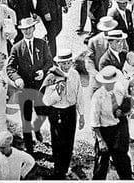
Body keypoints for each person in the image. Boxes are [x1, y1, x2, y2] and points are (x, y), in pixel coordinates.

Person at [6, 17, 53, 156]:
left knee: (42, 113)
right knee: (26, 118)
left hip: (40, 87)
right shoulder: (17, 47)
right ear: (21, 31)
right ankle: (29, 148)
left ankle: (37, 129)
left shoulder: (42, 44)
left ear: (34, 28)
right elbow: (10, 68)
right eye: (24, 29)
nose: (27, 31)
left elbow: (49, 62)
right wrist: (17, 79)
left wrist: (43, 71)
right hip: (24, 88)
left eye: (29, 28)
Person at [40, 47, 82, 179]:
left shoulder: (75, 74)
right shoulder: (52, 76)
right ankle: (58, 170)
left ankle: (64, 167)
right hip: (57, 112)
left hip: (70, 111)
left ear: (72, 62)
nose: (66, 65)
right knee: (58, 142)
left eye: (68, 62)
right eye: (63, 63)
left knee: (69, 141)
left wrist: (82, 115)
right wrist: (58, 93)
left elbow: (79, 94)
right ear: (58, 63)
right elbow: (46, 101)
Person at [88, 65, 133, 180]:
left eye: (112, 82)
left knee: (122, 159)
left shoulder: (120, 89)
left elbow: (129, 105)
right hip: (103, 131)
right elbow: (94, 122)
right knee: (101, 162)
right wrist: (100, 140)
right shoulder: (97, 96)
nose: (110, 85)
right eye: (107, 83)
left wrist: (123, 111)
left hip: (118, 128)